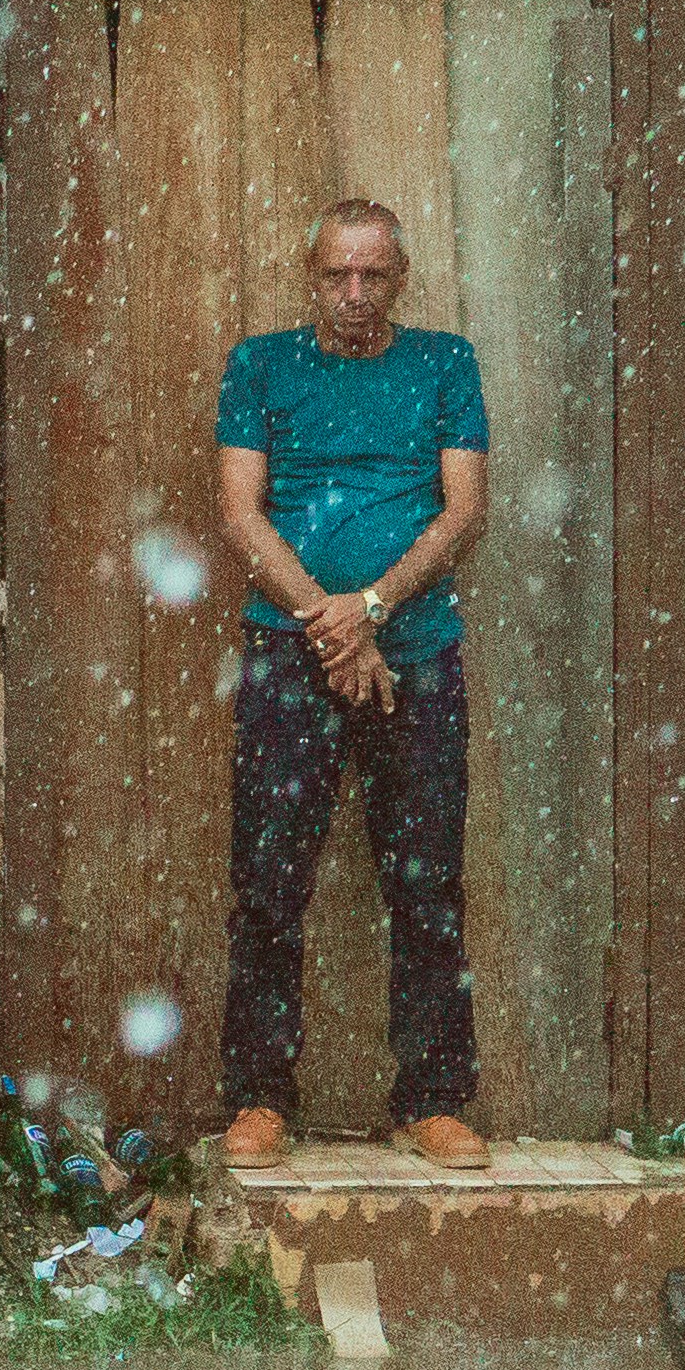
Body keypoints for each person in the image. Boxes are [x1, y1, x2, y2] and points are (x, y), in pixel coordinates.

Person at [213, 201, 493, 1170]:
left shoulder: (444, 364)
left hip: (417, 654)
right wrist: (333, 628)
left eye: (373, 276)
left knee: (425, 881)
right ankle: (257, 1096)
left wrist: (371, 606)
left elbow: (463, 512)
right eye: (337, 275)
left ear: (400, 278)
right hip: (287, 654)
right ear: (310, 272)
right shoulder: (260, 366)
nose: (354, 295)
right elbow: (241, 516)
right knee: (267, 880)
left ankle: (433, 1098)